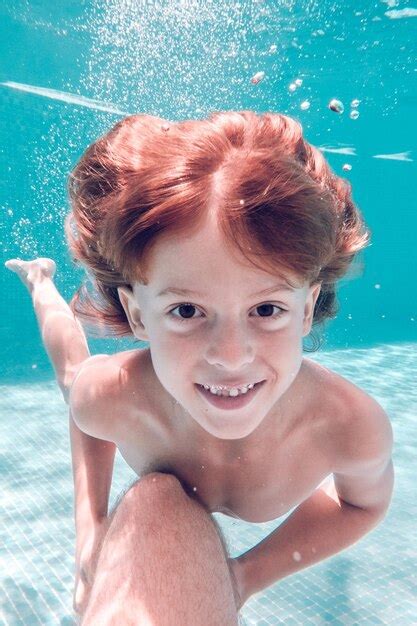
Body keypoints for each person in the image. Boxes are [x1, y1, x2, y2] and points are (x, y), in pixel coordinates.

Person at [6, 110, 394, 626]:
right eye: (187, 311)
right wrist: (91, 530)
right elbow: (84, 420)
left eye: (266, 310)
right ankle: (41, 283)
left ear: (306, 309)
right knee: (74, 377)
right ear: (137, 314)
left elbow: (362, 506)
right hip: (111, 387)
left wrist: (244, 576)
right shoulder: (112, 396)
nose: (231, 357)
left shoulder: (350, 426)